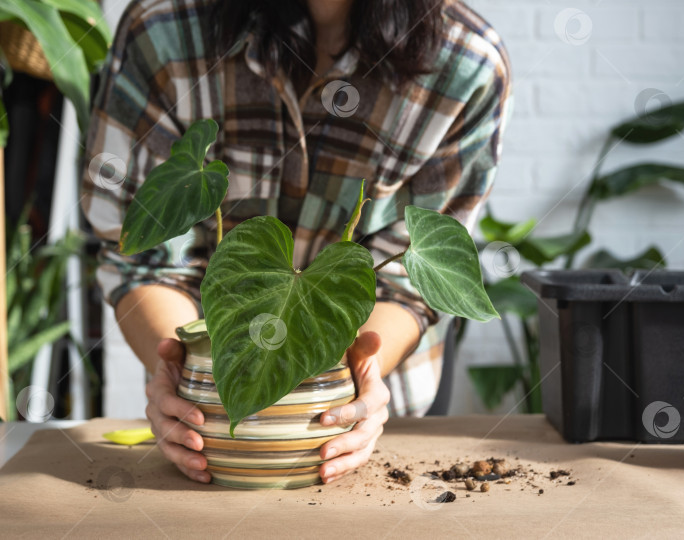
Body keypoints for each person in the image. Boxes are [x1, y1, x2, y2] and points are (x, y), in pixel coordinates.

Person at [82, 0, 511, 484]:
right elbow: (141, 253)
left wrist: (359, 386)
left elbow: (406, 284)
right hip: (203, 429)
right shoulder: (166, 31)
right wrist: (186, 377)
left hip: (366, 429)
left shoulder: (465, 63)